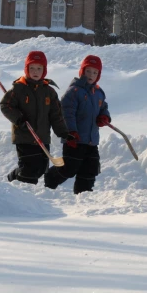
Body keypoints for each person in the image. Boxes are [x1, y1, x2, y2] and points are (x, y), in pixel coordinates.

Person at [0, 51, 72, 184]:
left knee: (40, 169)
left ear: (44, 71)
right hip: (25, 136)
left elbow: (56, 115)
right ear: (26, 69)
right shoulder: (19, 89)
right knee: (29, 171)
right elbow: (5, 105)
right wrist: (18, 118)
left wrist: (63, 132)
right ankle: (20, 190)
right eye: (31, 68)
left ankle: (14, 180)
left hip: (42, 137)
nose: (35, 71)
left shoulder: (49, 92)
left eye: (39, 68)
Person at [44, 55, 110, 194]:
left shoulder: (98, 93)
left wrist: (104, 116)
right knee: (69, 167)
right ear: (82, 72)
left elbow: (103, 107)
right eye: (88, 71)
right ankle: (50, 179)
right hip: (75, 139)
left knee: (91, 167)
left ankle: (83, 193)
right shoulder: (74, 92)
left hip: (91, 140)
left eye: (95, 72)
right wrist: (71, 133)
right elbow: (67, 114)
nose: (91, 75)